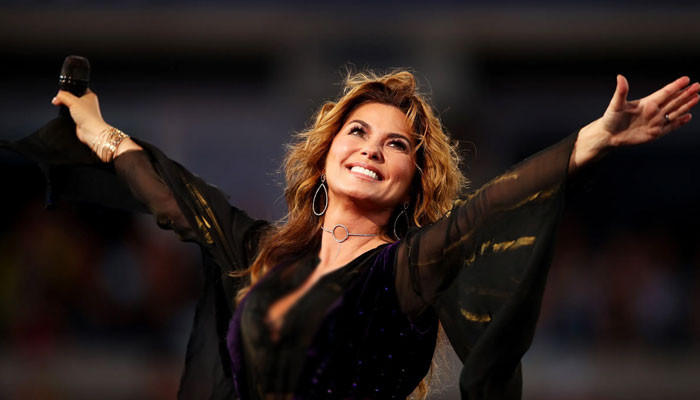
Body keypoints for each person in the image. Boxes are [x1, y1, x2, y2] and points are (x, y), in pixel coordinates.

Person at [4, 70, 698, 399]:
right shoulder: (259, 254)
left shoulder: (403, 272)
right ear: (327, 152)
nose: (371, 148)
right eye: (358, 131)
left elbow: (489, 209)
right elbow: (174, 197)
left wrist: (591, 141)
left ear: (413, 181)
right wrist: (97, 130)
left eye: (396, 145)